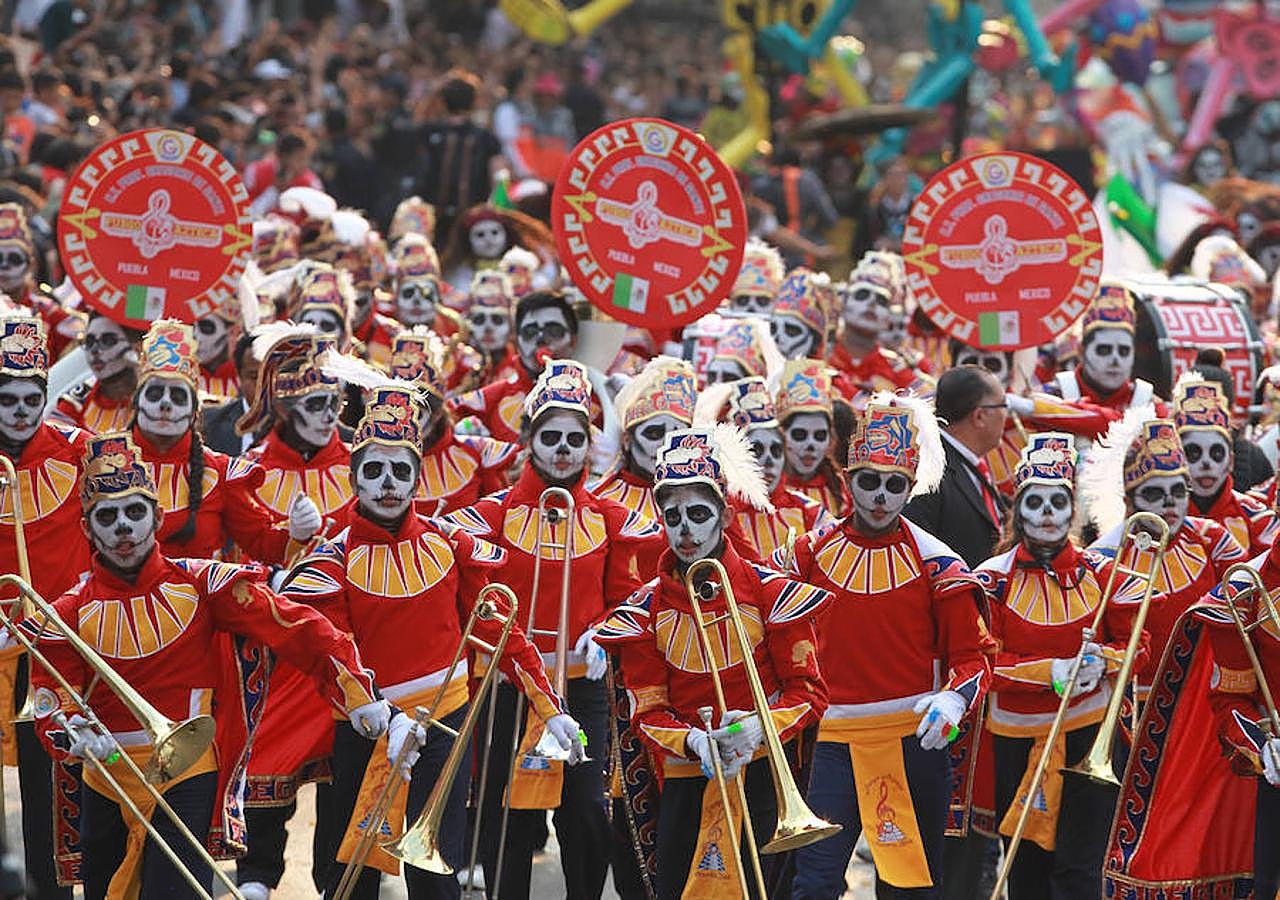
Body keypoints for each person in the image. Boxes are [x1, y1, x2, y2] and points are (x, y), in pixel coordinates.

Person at [26, 429, 386, 899]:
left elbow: (298, 626)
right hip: (107, 774)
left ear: (156, 519)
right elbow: (49, 694)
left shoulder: (204, 584)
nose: (123, 529)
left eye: (135, 513)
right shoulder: (67, 612)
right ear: (87, 528)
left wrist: (354, 688)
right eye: (107, 517)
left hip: (187, 770)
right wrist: (72, 732)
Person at [287, 384, 583, 898]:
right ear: (353, 478)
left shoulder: (452, 545)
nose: (387, 484)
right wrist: (379, 712)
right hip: (367, 727)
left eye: (400, 471)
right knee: (350, 872)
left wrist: (550, 708)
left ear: (418, 479)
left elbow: (501, 635)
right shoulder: (332, 558)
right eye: (373, 471)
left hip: (444, 724)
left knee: (436, 866)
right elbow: (332, 646)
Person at [445, 360, 662, 899]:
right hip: (508, 688)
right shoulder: (488, 517)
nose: (563, 448)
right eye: (550, 436)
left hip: (583, 691)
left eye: (574, 437)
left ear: (589, 444)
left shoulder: (613, 520)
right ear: (529, 440)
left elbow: (635, 598)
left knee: (587, 807)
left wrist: (609, 631)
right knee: (508, 816)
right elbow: (472, 598)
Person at [596, 424, 833, 899]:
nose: (685, 529)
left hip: (763, 772)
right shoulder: (644, 612)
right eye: (673, 515)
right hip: (686, 777)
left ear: (724, 516)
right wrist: (693, 742)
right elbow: (646, 711)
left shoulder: (770, 593)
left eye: (699, 513)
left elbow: (810, 694)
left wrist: (756, 730)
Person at [776, 393, 993, 898]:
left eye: (894, 485)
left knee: (909, 885)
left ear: (911, 489)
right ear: (848, 479)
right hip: (832, 742)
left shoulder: (940, 566)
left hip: (913, 740)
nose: (879, 496)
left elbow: (974, 657)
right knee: (814, 882)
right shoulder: (804, 555)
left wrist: (953, 699)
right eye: (867, 481)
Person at [976, 433, 1143, 900]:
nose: (1047, 513)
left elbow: (1137, 642)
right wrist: (1050, 672)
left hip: (1090, 735)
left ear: (1074, 511)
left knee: (1081, 869)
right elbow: (982, 662)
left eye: (1058, 501)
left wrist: (1104, 662)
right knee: (1027, 870)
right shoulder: (991, 579)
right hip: (1017, 742)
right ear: (1017, 510)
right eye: (1035, 502)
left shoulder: (1102, 573)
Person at [233, 327, 355, 898]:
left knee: (346, 767)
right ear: (283, 405)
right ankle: (258, 871)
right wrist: (280, 567)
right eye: (313, 404)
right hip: (275, 643)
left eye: (334, 402)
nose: (327, 415)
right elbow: (233, 548)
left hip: (346, 638)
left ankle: (336, 878)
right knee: (268, 756)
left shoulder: (362, 461)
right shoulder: (251, 466)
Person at [0, 315, 85, 900]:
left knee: (50, 784)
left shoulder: (81, 452)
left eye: (34, 397)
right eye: (8, 399)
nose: (23, 410)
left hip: (53, 649)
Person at [1082, 413, 1247, 703]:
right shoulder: (1102, 557)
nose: (1170, 502)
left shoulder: (1213, 538)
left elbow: (1249, 605)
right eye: (1155, 493)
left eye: (1178, 491)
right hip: (1131, 703)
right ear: (1129, 502)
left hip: (1204, 699)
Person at [128, 320, 322, 562]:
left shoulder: (219, 472)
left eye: (178, 395)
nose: (165, 405)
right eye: (155, 393)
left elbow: (263, 544)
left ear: (194, 411)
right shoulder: (104, 464)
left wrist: (297, 533)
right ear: (136, 402)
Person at [384, 330, 520, 515]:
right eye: (398, 413)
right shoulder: (372, 455)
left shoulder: (476, 453)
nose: (407, 424)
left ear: (437, 414)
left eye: (417, 414)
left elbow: (499, 515)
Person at [1009, 284, 1159, 440]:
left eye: (1124, 351)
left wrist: (1041, 409)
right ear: (1081, 351)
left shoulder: (1147, 401)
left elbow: (1118, 424)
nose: (1115, 361)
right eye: (1104, 350)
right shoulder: (1053, 393)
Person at [904, 366, 1009, 569]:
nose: (1007, 415)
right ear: (979, 416)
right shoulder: (928, 469)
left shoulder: (969, 462)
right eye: (1003, 405)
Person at [448, 290, 577, 443]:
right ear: (516, 338)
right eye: (530, 331)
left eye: (554, 331)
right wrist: (466, 431)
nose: (541, 339)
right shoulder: (496, 395)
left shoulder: (597, 397)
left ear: (573, 340)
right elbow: (438, 417)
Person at [1171, 374, 1277, 556]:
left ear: (1231, 461)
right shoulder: (1160, 513)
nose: (1206, 464)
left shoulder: (1256, 517)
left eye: (1217, 453)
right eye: (1193, 453)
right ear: (1176, 459)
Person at [418, 71, 505, 242]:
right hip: (472, 222)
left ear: (442, 101)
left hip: (432, 220)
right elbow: (500, 180)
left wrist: (435, 93)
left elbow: (418, 118)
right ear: (474, 102)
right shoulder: (486, 138)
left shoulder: (428, 132)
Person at [829, 253, 925, 401]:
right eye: (862, 295)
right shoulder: (819, 354)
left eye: (881, 300)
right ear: (842, 304)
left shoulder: (898, 367)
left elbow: (930, 405)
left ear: (889, 318)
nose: (872, 304)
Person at [778, 358, 850, 518]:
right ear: (780, 436)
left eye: (819, 436)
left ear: (830, 440)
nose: (811, 445)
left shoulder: (844, 490)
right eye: (799, 435)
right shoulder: (764, 489)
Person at [51, 311, 143, 434]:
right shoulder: (81, 395)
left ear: (137, 348)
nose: (95, 350)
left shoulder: (156, 396)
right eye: (89, 342)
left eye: (108, 340)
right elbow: (53, 437)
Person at [203, 332, 264, 457]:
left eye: (273, 375)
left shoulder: (302, 424)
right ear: (239, 376)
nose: (264, 385)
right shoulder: (208, 424)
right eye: (254, 377)